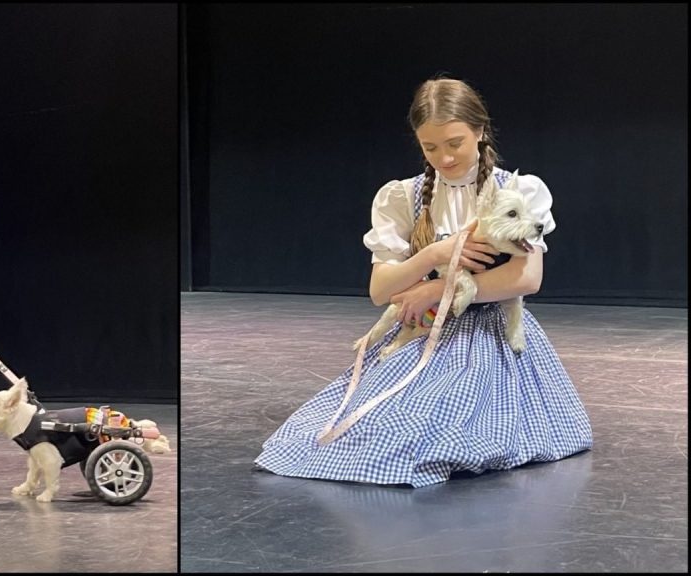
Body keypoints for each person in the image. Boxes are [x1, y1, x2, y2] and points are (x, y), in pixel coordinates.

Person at [254, 77, 593, 487]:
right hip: (420, 332)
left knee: (427, 433)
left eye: (455, 143)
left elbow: (527, 277)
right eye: (430, 148)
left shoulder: (516, 191)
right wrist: (434, 254)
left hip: (489, 337)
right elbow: (381, 291)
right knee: (360, 428)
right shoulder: (403, 197)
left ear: (480, 132)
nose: (444, 158)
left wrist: (437, 288)